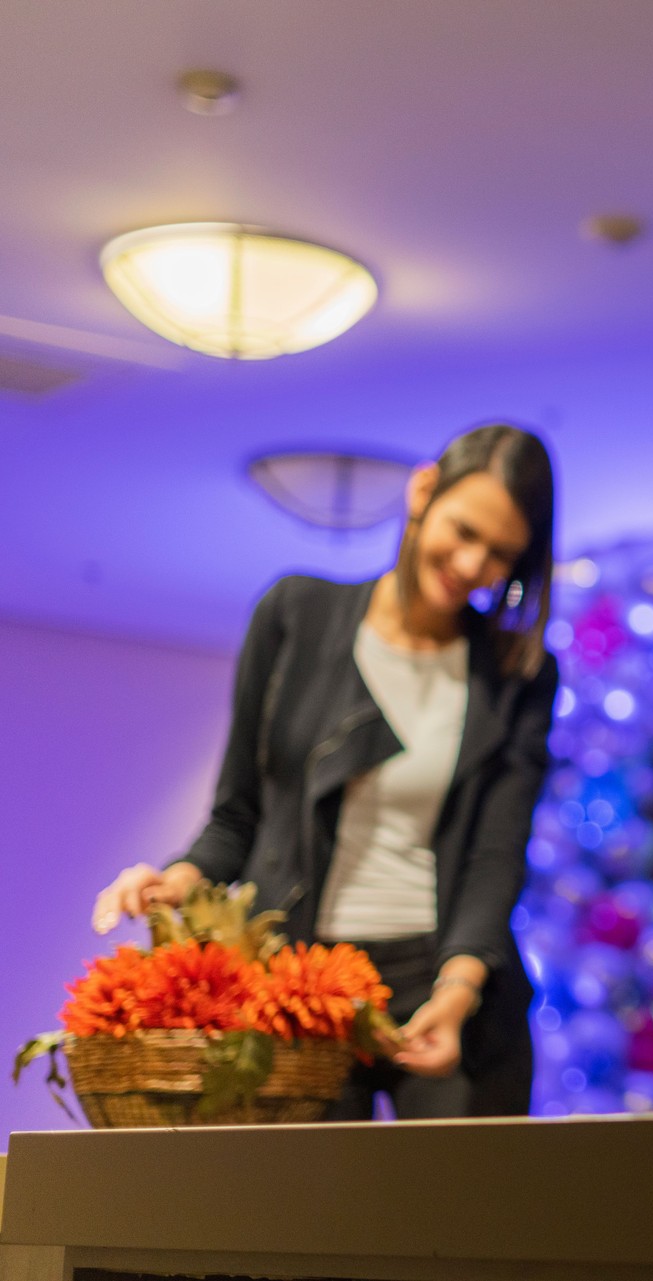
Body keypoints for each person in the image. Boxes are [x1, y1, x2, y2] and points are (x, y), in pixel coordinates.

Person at [93, 424, 560, 1118]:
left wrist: (459, 989)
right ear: (423, 490)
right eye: (463, 530)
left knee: (465, 1219)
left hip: (445, 984)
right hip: (297, 986)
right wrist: (176, 882)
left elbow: (496, 854)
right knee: (298, 1220)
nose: (470, 564)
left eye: (499, 554)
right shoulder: (295, 615)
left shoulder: (518, 673)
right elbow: (238, 816)